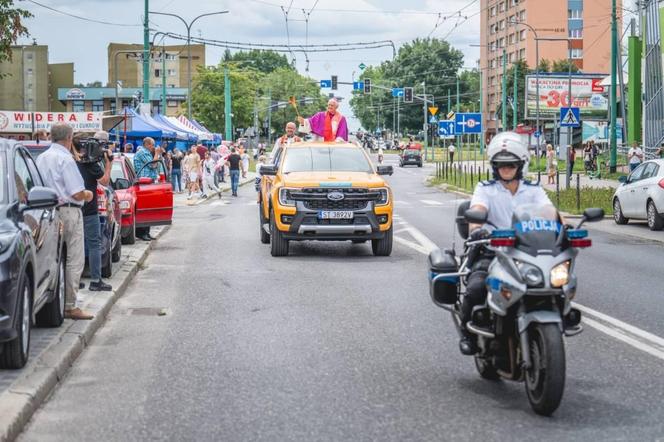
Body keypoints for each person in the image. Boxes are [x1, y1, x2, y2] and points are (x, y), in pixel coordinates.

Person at [459, 131, 554, 355]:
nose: (506, 169)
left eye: (511, 164)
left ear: (521, 165)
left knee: (555, 283)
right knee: (475, 288)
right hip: (492, 252)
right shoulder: (485, 188)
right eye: (501, 165)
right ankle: (468, 334)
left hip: (529, 253)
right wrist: (477, 229)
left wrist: (565, 225)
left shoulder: (533, 189)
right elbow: (479, 209)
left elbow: (550, 211)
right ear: (494, 166)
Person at [36, 123, 95, 320]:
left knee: (53, 258)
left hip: (47, 211)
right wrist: (88, 194)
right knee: (74, 259)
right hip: (69, 211)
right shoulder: (66, 160)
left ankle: (54, 301)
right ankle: (70, 305)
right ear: (69, 138)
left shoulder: (41, 158)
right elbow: (76, 193)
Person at [75, 131, 114, 292]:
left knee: (73, 246)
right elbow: (104, 182)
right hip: (89, 209)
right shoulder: (89, 163)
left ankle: (74, 280)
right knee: (94, 245)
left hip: (70, 207)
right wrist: (108, 163)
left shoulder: (70, 161)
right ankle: (96, 280)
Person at [133, 137, 162, 241]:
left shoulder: (147, 153)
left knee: (149, 207)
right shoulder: (143, 152)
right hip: (143, 183)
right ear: (148, 144)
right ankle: (142, 232)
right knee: (144, 207)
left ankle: (147, 232)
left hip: (149, 183)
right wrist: (157, 153)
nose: (153, 147)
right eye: (152, 145)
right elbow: (153, 165)